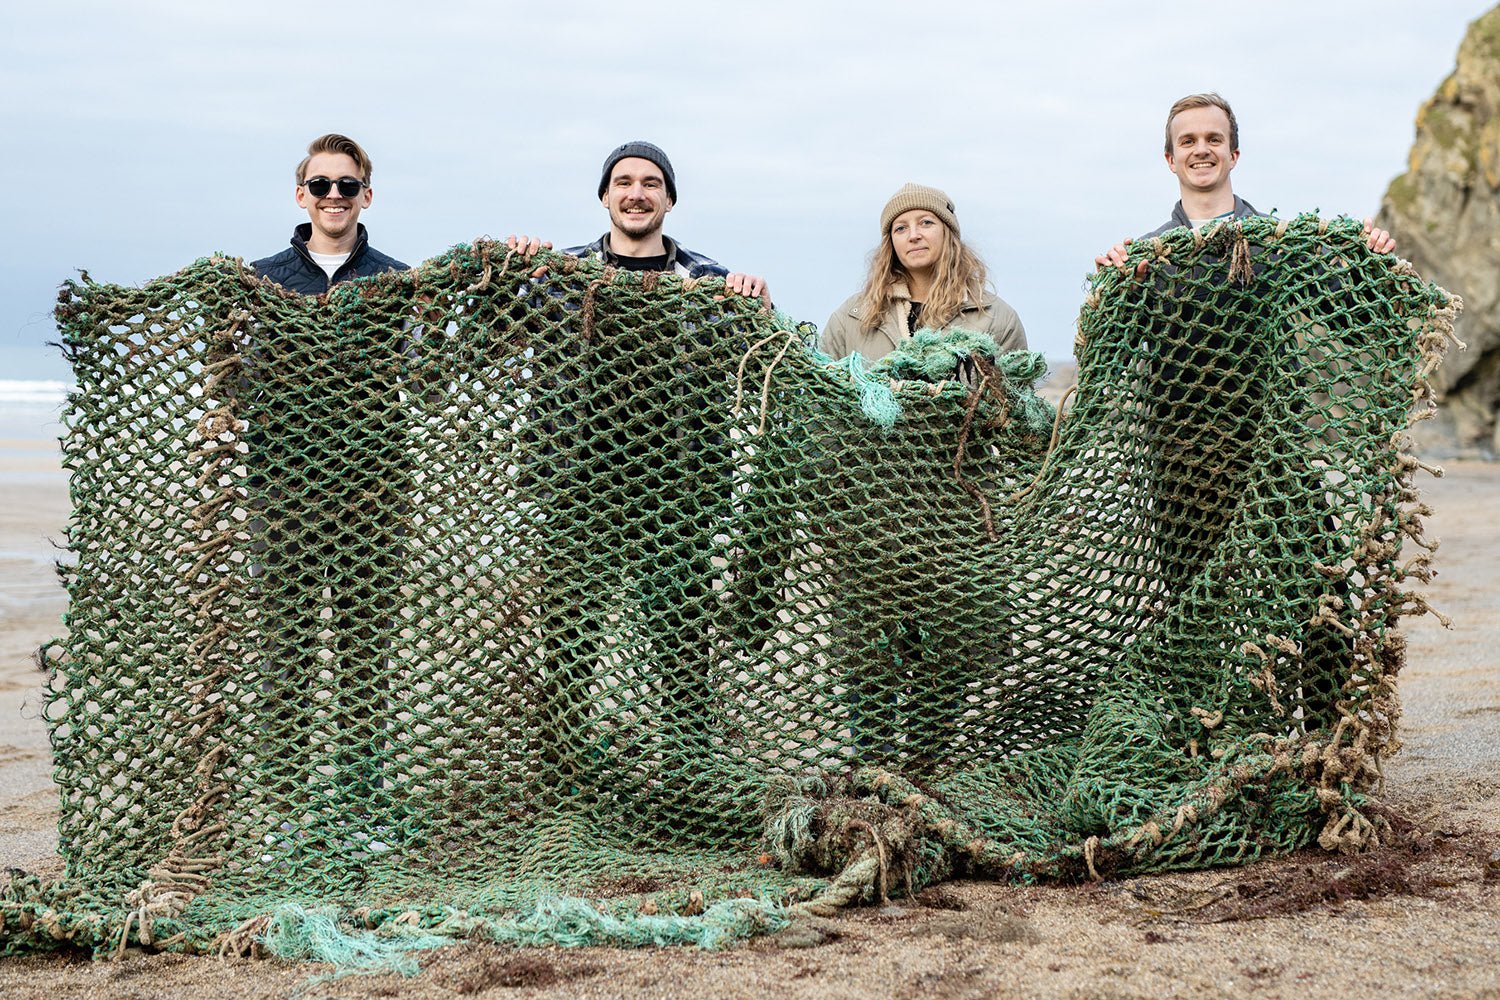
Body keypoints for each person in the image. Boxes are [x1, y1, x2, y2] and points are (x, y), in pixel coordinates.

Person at [1094, 93, 1394, 269]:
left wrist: (1368, 261)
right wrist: (1116, 280)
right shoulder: (1149, 256)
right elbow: (1123, 347)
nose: (1201, 149)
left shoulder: (1280, 243)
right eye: (1187, 141)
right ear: (1171, 160)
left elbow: (1353, 323)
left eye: (1213, 139)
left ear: (1233, 155)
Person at [507, 139, 769, 303]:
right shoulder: (560, 274)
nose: (636, 195)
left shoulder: (711, 281)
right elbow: (498, 347)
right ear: (606, 197)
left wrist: (764, 307)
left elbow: (762, 363)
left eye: (650, 184)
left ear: (669, 200)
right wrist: (506, 279)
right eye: (624, 183)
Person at [820, 182, 1027, 365]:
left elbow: (1016, 401)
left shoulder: (996, 318)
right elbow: (821, 398)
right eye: (900, 228)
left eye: (926, 223)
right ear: (890, 243)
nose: (914, 236)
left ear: (948, 232)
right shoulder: (852, 318)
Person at [253, 133, 408, 293]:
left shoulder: (402, 282)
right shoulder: (259, 280)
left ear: (366, 197)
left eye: (348, 185)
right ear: (301, 196)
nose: (334, 195)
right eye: (319, 185)